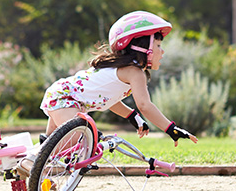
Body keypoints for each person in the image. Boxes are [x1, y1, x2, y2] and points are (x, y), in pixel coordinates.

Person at [18, 10, 198, 176]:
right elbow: (146, 105)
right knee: (73, 140)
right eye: (158, 45)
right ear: (144, 48)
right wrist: (171, 128)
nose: (163, 51)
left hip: (63, 95)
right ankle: (31, 160)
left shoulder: (122, 70)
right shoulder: (135, 73)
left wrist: (132, 116)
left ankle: (22, 163)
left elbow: (108, 99)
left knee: (52, 144)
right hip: (66, 98)